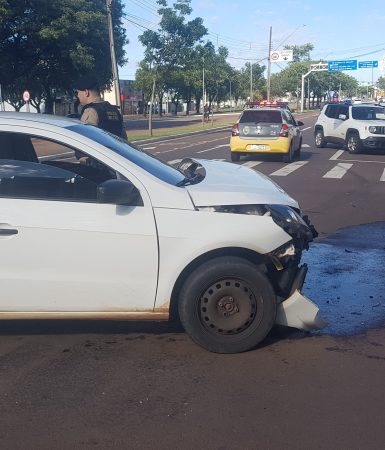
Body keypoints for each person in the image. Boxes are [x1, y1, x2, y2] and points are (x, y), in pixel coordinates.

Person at [74, 75, 127, 139]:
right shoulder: (114, 110)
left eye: (78, 92)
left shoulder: (91, 111)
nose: (77, 96)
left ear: (86, 92)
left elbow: (85, 140)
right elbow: (124, 139)